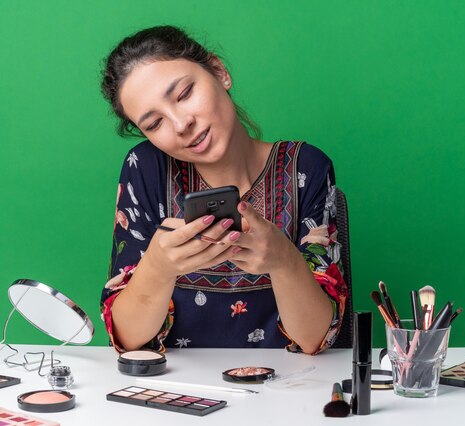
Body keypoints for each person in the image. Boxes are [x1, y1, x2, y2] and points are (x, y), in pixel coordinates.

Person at [99, 25, 347, 355]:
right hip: (178, 391)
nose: (180, 124)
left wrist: (285, 261)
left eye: (184, 94)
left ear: (219, 71)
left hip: (286, 393)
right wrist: (158, 268)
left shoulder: (306, 167)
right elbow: (129, 342)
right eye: (154, 123)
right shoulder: (146, 168)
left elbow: (316, 339)